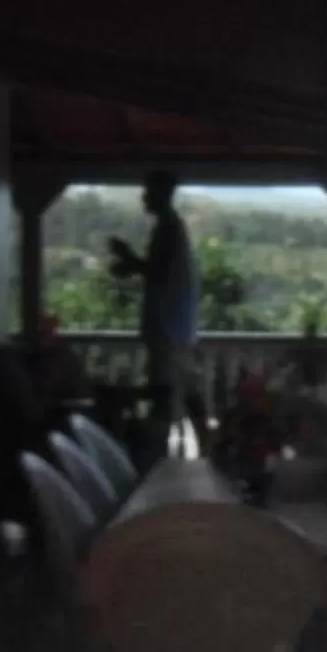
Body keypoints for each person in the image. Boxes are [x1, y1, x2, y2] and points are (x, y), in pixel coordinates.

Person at [108, 173, 200, 459]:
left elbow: (159, 272)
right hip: (171, 326)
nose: (144, 198)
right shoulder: (169, 228)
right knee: (170, 389)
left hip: (168, 326)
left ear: (162, 195)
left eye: (148, 192)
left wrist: (129, 259)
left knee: (165, 390)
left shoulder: (169, 229)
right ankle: (163, 450)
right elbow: (158, 271)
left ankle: (159, 455)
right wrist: (132, 264)